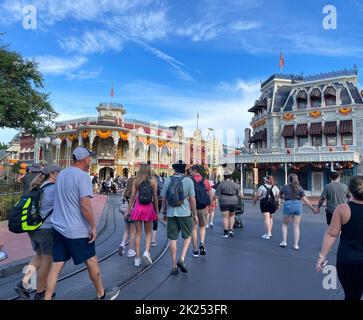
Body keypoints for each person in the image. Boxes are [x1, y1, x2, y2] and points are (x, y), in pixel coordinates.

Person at [44, 147, 119, 300]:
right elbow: (85, 205)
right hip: (76, 230)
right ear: (84, 159)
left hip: (58, 227)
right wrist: (92, 226)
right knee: (91, 260)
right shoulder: (82, 176)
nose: (91, 160)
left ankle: (47, 297)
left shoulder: (62, 174)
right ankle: (101, 294)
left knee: (56, 265)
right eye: (90, 157)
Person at [15, 164, 62, 300]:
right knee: (47, 261)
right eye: (59, 172)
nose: (61, 175)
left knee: (38, 256)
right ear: (52, 174)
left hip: (34, 228)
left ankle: (23, 284)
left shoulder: (40, 186)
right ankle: (40, 292)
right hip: (46, 229)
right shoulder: (53, 189)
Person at [316, 176, 363, 300]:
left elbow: (332, 234)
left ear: (350, 190)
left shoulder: (343, 209)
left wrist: (322, 257)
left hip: (348, 261)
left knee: (352, 295)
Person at [161, 160, 197, 275]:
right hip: (185, 213)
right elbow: (192, 199)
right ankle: (181, 258)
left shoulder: (168, 180)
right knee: (187, 237)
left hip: (171, 213)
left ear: (175, 169)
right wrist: (194, 213)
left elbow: (164, 198)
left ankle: (174, 266)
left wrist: (164, 212)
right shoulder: (189, 181)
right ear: (184, 170)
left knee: (173, 239)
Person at [127, 163, 159, 267]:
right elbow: (155, 198)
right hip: (148, 209)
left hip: (137, 208)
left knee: (138, 233)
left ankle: (137, 258)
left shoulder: (136, 181)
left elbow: (132, 196)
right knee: (148, 233)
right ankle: (146, 252)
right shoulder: (153, 181)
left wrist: (128, 210)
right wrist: (157, 211)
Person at [279, 173, 319, 250]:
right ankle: (295, 245)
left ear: (289, 179)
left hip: (288, 204)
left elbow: (279, 196)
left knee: (285, 224)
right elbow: (305, 200)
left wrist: (285, 197)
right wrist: (312, 209)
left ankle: (284, 241)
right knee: (296, 227)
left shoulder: (284, 187)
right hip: (298, 205)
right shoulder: (300, 188)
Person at [190, 165, 213, 257]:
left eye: (191, 171)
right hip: (204, 208)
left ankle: (195, 250)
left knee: (194, 228)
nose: (190, 172)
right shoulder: (206, 181)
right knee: (202, 226)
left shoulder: (190, 181)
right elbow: (210, 195)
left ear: (195, 171)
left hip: (193, 209)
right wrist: (210, 206)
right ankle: (202, 243)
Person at [216, 171, 241, 238]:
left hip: (224, 201)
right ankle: (231, 230)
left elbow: (217, 195)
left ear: (224, 177)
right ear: (230, 177)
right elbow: (240, 194)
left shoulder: (221, 184)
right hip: (233, 201)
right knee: (232, 216)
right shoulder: (235, 184)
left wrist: (214, 201)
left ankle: (226, 233)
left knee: (225, 217)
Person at [151, 172, 164, 247]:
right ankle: (153, 239)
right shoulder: (160, 181)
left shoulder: (149, 181)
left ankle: (150, 238)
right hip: (159, 201)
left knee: (149, 220)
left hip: (150, 202)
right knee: (155, 219)